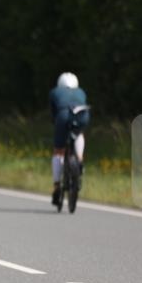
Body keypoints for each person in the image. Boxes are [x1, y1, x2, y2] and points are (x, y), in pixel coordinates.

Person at [50, 71, 90, 206]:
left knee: (58, 151)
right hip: (82, 113)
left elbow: (54, 114)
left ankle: (56, 186)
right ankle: (79, 159)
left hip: (63, 114)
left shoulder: (55, 92)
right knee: (79, 133)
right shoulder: (81, 91)